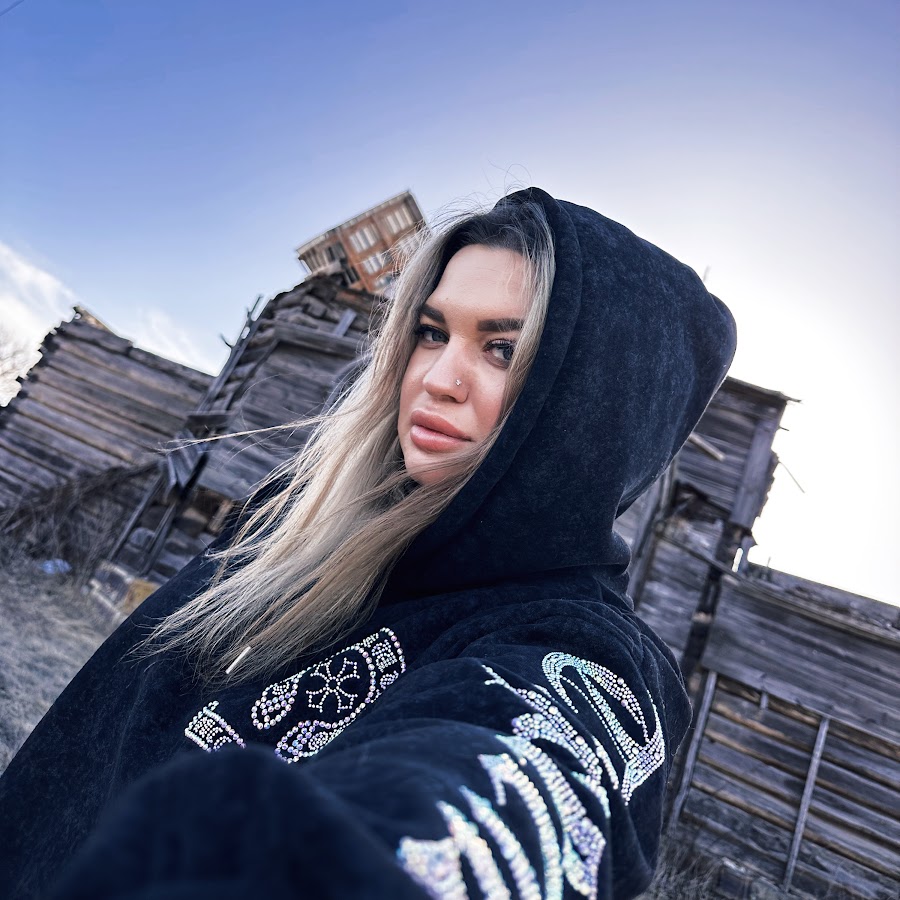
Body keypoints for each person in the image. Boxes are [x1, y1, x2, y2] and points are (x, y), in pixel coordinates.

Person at [0, 187, 736, 899]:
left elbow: (500, 780)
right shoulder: (290, 521)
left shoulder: (579, 654)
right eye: (432, 332)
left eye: (503, 349)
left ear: (601, 404)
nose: (438, 379)